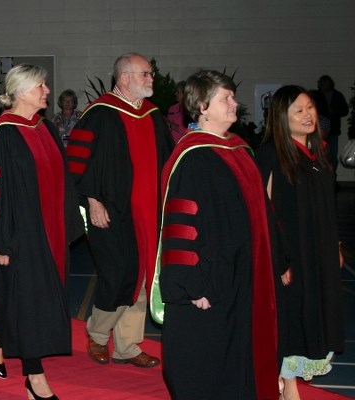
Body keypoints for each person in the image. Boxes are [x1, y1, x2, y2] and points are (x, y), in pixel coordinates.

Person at [149, 69, 279, 399]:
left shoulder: (239, 149)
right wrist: (192, 286)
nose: (235, 103)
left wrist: (280, 260)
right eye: (227, 98)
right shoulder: (192, 158)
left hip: (243, 278)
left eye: (233, 97)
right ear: (203, 106)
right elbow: (180, 227)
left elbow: (264, 214)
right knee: (208, 362)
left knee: (240, 356)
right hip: (211, 283)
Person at [0, 64, 83, 400]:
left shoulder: (45, 129)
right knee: (29, 304)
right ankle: (34, 377)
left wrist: (69, 223)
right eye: (41, 86)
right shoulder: (3, 134)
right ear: (21, 90)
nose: (47, 91)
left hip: (49, 234)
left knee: (38, 300)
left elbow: (63, 181)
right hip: (17, 237)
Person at [65, 52, 170, 369]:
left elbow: (167, 161)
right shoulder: (99, 114)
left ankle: (127, 345)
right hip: (110, 211)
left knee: (141, 278)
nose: (151, 79)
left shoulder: (152, 115)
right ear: (123, 78)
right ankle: (98, 336)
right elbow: (78, 161)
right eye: (145, 74)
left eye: (150, 74)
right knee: (117, 274)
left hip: (149, 212)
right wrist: (92, 200)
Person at [255, 85, 344, 400]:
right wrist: (278, 261)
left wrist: (334, 247)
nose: (308, 115)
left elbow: (327, 207)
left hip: (317, 255)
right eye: (299, 110)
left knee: (316, 315)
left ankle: (287, 382)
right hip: (291, 257)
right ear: (281, 117)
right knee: (291, 319)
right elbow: (263, 212)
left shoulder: (318, 152)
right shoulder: (271, 155)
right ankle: (285, 386)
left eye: (310, 108)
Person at [310, 75, 348, 170]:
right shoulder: (315, 95)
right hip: (319, 129)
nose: (323, 86)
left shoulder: (337, 96)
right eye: (321, 83)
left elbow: (344, 111)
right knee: (318, 154)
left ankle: (332, 176)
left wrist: (334, 112)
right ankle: (319, 176)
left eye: (325, 83)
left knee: (332, 155)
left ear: (330, 84)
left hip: (333, 130)